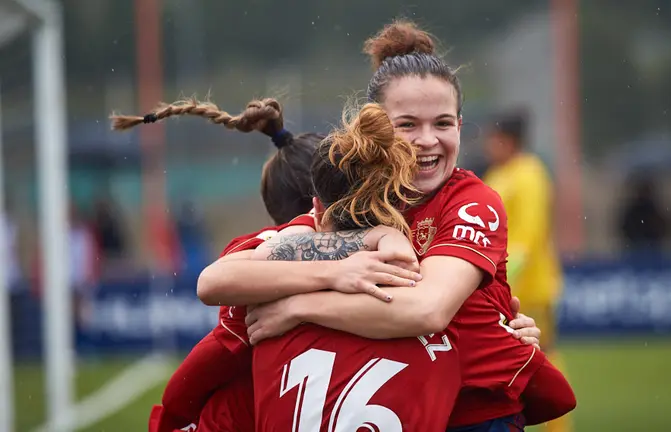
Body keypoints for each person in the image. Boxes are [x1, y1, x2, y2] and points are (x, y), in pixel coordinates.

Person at [200, 21, 574, 430]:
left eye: (444, 123)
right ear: (375, 129)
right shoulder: (352, 202)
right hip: (406, 412)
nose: (428, 140)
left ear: (461, 128)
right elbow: (218, 281)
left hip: (474, 416)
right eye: (408, 125)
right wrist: (335, 271)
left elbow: (428, 310)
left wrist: (297, 306)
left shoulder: (473, 202)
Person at [113, 97, 544, 431]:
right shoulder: (414, 279)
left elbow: (209, 314)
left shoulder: (264, 274)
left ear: (313, 210)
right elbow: (543, 389)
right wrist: (501, 322)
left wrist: (301, 303)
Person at [482, 109, 571, 432]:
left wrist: (500, 277)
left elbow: (528, 237)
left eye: (493, 138)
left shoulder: (530, 174)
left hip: (531, 286)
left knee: (544, 353)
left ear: (508, 140)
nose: (489, 145)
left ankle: (558, 427)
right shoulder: (498, 174)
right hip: (507, 286)